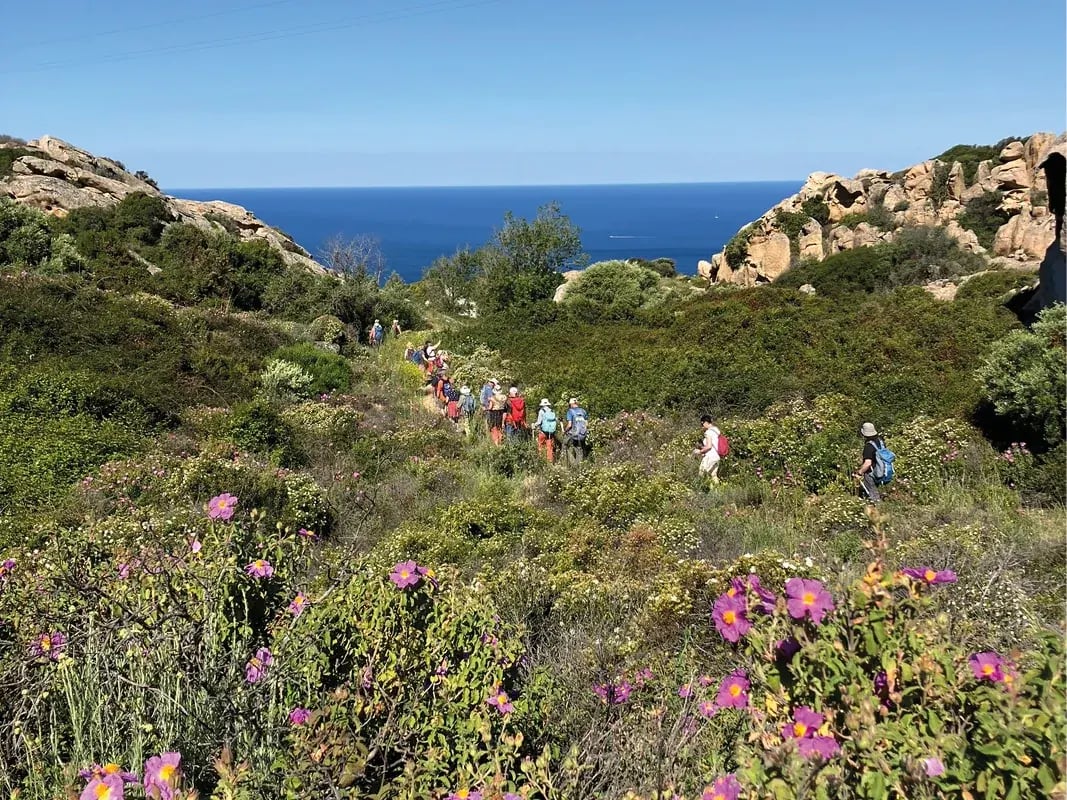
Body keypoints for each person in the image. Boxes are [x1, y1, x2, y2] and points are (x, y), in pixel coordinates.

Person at [855, 422, 885, 503]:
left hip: (872, 473)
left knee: (873, 495)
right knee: (879, 491)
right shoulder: (880, 441)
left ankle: (878, 510)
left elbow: (868, 463)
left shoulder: (869, 446)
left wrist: (859, 472)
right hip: (882, 470)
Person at [693, 414, 722, 485]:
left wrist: (700, 451)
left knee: (701, 473)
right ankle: (718, 491)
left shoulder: (708, 432)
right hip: (717, 456)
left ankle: (699, 490)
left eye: (702, 423)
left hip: (710, 456)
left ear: (706, 422)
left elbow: (709, 446)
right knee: (713, 475)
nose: (702, 426)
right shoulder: (716, 430)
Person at [563, 397, 589, 466]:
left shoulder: (570, 411)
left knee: (566, 446)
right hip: (583, 434)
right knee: (581, 450)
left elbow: (569, 425)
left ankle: (573, 465)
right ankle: (581, 465)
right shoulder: (583, 411)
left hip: (575, 434)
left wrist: (565, 431)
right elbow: (586, 424)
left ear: (571, 404)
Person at [536, 398, 558, 463]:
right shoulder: (552, 411)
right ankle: (550, 461)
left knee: (540, 445)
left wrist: (534, 425)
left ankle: (541, 459)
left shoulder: (541, 411)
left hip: (543, 432)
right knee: (549, 447)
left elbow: (539, 422)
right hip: (550, 432)